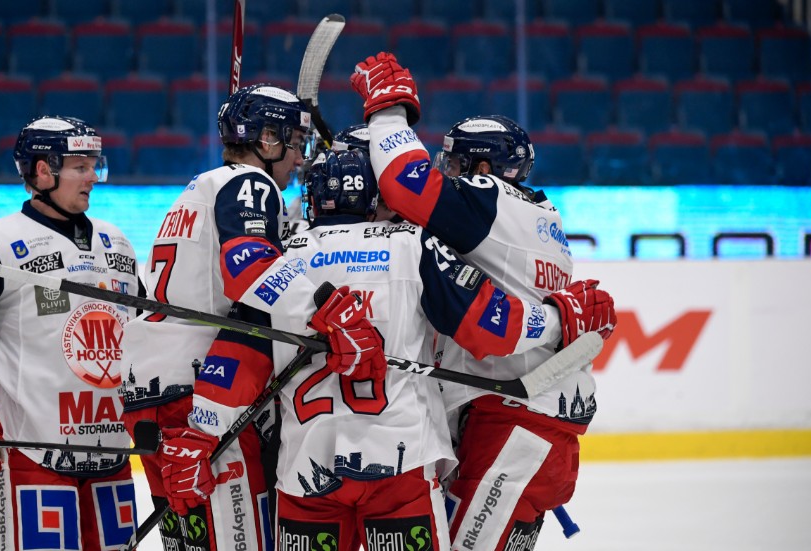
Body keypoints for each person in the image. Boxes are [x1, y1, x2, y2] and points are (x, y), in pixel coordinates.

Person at [177, 146, 608, 550]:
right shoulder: (412, 245)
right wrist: (558, 316)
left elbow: (239, 357)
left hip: (306, 474)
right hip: (400, 470)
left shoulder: (280, 262)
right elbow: (489, 328)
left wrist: (200, 436)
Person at [351, 52, 617, 550]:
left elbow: (408, 188)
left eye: (453, 163)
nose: (444, 171)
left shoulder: (492, 201)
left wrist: (388, 113)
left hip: (516, 425)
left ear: (483, 168)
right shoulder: (537, 222)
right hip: (533, 424)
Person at [118, 83, 387, 551]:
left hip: (148, 394)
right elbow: (249, 270)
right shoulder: (251, 184)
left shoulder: (198, 188)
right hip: (205, 393)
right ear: (266, 140)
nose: (300, 158)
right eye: (295, 143)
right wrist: (326, 310)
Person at [0, 116, 143, 551]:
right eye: (80, 166)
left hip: (113, 450)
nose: (92, 178)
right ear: (43, 171)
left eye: (94, 165)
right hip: (33, 450)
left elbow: (146, 333)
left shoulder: (117, 243)